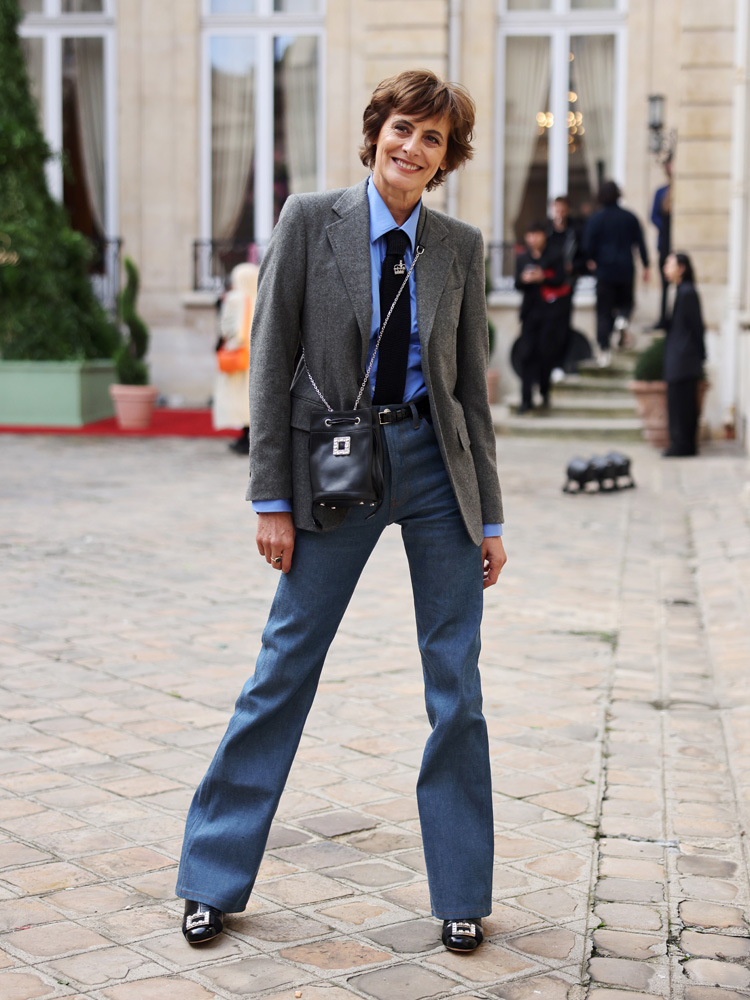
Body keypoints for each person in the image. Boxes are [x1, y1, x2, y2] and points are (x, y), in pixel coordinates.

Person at [176, 69, 506, 955]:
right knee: (284, 666)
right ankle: (211, 877)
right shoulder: (308, 221)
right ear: (377, 132)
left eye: (433, 139)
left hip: (439, 475)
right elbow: (271, 356)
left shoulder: (460, 246)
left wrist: (493, 519)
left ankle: (462, 895)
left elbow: (470, 394)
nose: (413, 148)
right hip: (333, 469)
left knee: (457, 688)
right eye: (404, 128)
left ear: (446, 159)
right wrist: (269, 497)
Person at [584, 180, 650, 366]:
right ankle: (622, 319)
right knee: (626, 302)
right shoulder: (629, 217)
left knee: (603, 311)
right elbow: (641, 243)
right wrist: (646, 265)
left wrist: (591, 260)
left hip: (604, 271)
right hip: (625, 268)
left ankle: (604, 350)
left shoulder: (595, 219)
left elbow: (588, 246)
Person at [514, 221, 570, 414]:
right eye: (530, 235)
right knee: (526, 355)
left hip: (550, 313)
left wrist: (543, 277)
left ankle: (545, 392)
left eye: (537, 234)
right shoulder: (523, 258)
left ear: (543, 236)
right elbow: (517, 284)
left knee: (546, 354)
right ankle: (526, 399)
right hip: (530, 314)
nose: (533, 239)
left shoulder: (555, 255)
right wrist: (524, 279)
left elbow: (561, 278)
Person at [662, 251, 705, 457]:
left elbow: (696, 326)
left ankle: (683, 445)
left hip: (684, 357)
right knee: (677, 401)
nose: (665, 268)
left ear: (682, 268)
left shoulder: (687, 292)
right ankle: (680, 444)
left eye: (670, 264)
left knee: (683, 403)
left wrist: (701, 355)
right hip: (679, 356)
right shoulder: (677, 291)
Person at [212, 262, 258, 454]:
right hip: (256, 356)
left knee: (238, 398)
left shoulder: (236, 298)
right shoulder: (262, 297)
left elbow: (231, 330)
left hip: (239, 355)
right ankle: (251, 438)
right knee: (252, 399)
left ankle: (244, 438)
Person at [546, 195, 585, 381]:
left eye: (562, 208)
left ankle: (561, 364)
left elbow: (583, 257)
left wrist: (573, 267)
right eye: (556, 208)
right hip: (547, 286)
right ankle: (548, 364)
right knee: (547, 326)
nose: (559, 212)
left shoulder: (574, 232)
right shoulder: (546, 232)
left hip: (566, 285)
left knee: (563, 325)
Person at [650, 161, 672, 330]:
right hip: (665, 242)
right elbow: (653, 216)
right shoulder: (661, 192)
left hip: (676, 243)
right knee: (664, 282)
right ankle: (663, 317)